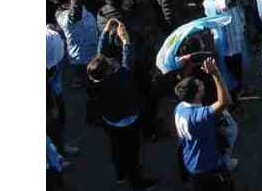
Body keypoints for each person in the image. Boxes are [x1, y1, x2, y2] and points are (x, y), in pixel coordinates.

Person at [86, 20, 159, 190]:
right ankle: (137, 181)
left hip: (110, 121)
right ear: (107, 70)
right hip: (127, 121)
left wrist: (105, 33)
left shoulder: (96, 79)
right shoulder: (120, 79)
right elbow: (128, 62)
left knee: (116, 148)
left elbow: (100, 54)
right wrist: (126, 41)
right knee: (131, 152)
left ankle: (120, 174)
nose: (112, 62)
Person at [173, 57, 234, 190]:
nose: (202, 84)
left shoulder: (179, 109)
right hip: (206, 167)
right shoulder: (198, 116)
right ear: (195, 95)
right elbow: (223, 103)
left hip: (191, 161)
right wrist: (216, 74)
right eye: (199, 85)